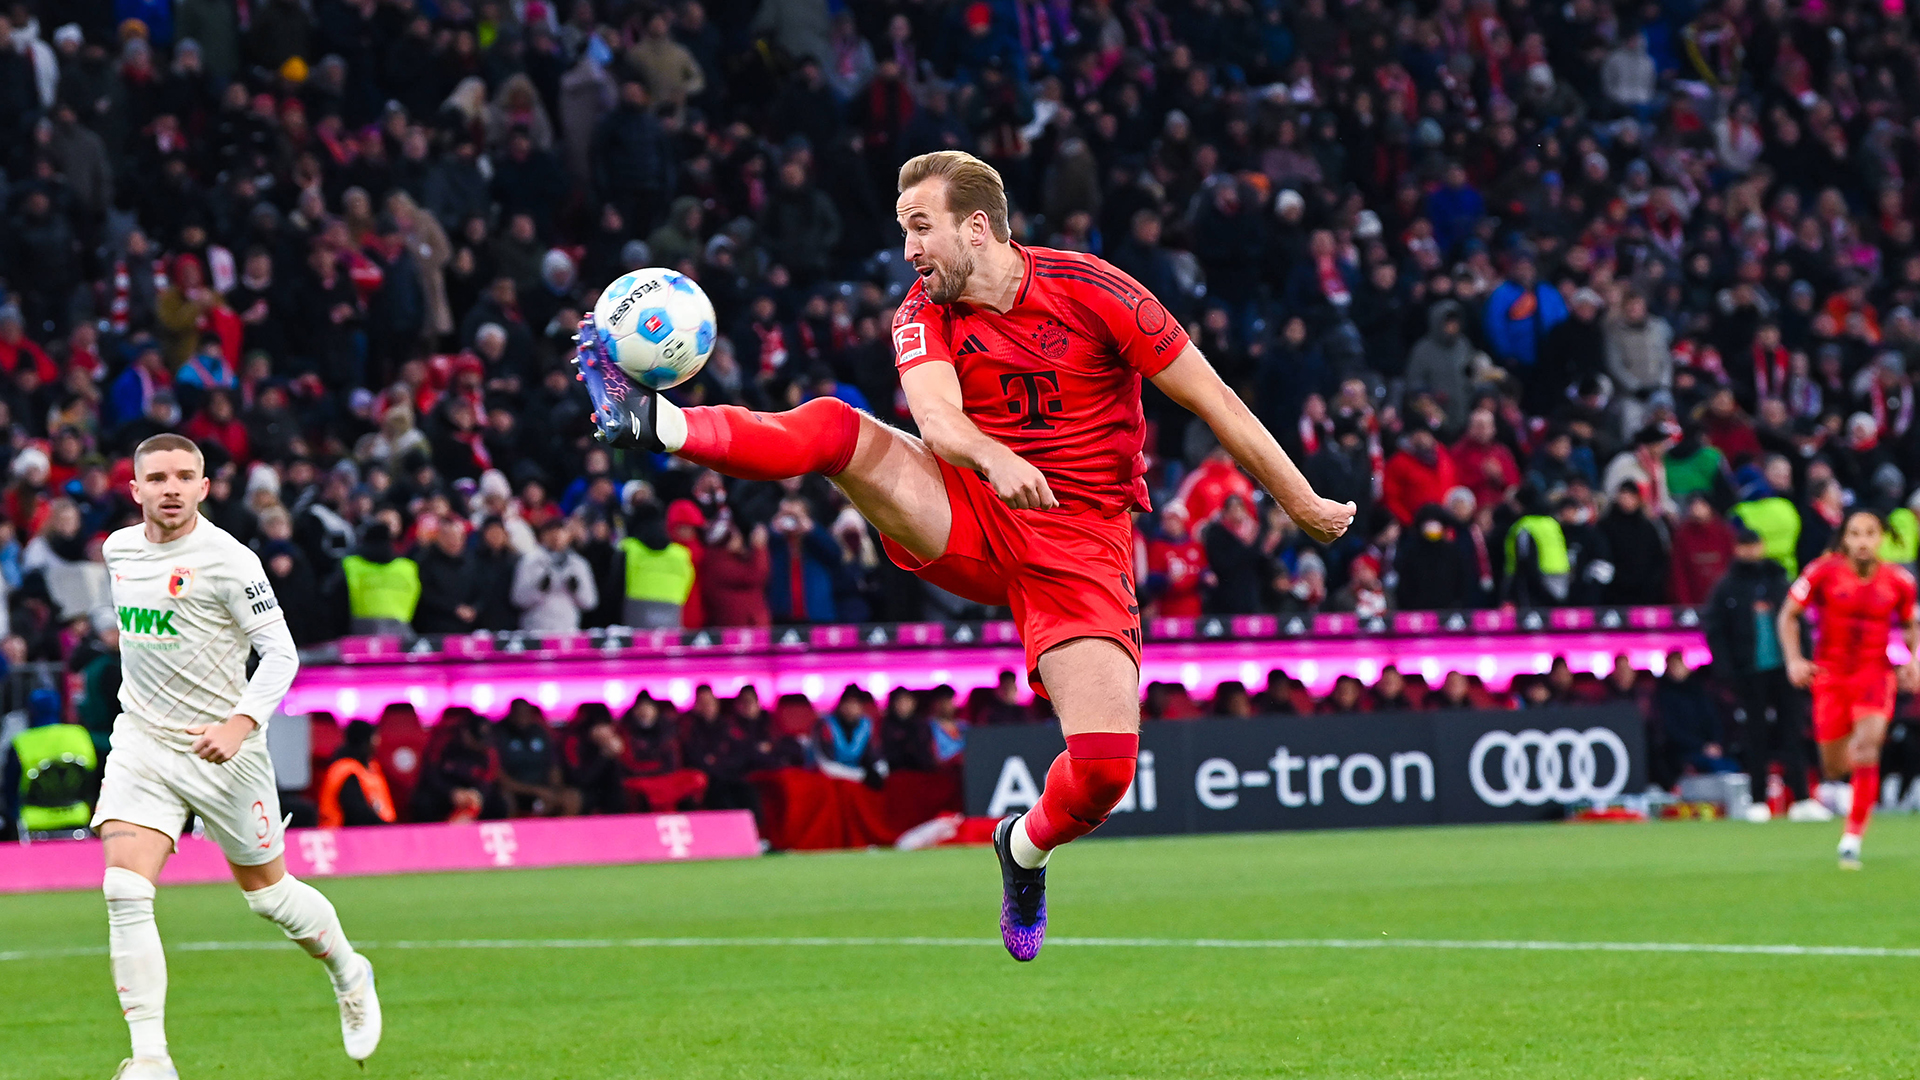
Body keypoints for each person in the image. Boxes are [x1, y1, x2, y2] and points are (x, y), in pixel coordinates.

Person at [576, 149, 1354, 961]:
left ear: (976, 227)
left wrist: (1300, 502)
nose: (910, 250)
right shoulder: (921, 312)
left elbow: (1214, 398)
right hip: (969, 514)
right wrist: (994, 459)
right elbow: (939, 421)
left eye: (922, 228)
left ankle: (1022, 849)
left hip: (1080, 546)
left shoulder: (1100, 292)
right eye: (904, 230)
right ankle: (656, 424)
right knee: (841, 430)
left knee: (1104, 772)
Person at [89, 435, 380, 1077]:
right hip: (142, 739)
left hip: (226, 749)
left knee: (268, 896)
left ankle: (349, 972)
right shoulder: (118, 550)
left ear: (204, 487)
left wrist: (240, 722)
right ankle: (150, 1060)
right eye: (157, 477)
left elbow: (281, 654)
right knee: (123, 889)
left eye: (184, 476)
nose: (171, 487)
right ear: (135, 490)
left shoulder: (230, 560)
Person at [1778, 510, 1920, 870]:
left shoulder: (1900, 581)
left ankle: (1852, 838)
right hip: (1830, 677)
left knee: (1867, 747)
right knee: (1835, 766)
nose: (1862, 541)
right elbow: (1787, 615)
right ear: (1845, 539)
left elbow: (1910, 623)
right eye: (1855, 533)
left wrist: (1913, 660)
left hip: (1874, 675)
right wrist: (1794, 660)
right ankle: (1844, 799)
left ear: (1881, 538)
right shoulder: (1822, 571)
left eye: (1870, 533)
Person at [1705, 524, 1825, 823]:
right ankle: (1758, 801)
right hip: (1750, 672)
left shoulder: (1779, 581)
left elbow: (1800, 624)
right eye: (1744, 546)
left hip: (1786, 669)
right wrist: (1727, 670)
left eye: (1754, 545)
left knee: (1792, 733)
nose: (1750, 551)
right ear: (1737, 549)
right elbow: (1715, 630)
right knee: (1755, 736)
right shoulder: (1726, 587)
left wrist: (1804, 660)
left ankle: (1801, 799)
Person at [512, 517, 599, 632]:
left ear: (568, 535)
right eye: (551, 532)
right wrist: (539, 589)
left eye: (560, 532)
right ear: (542, 536)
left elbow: (590, 602)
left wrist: (576, 589)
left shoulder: (578, 563)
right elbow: (518, 599)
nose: (556, 536)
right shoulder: (530, 561)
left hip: (567, 629)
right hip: (536, 628)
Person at [316, 720, 397, 828]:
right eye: (374, 738)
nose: (377, 743)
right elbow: (356, 812)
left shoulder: (370, 767)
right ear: (365, 742)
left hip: (373, 833)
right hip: (342, 836)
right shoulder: (345, 770)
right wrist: (385, 827)